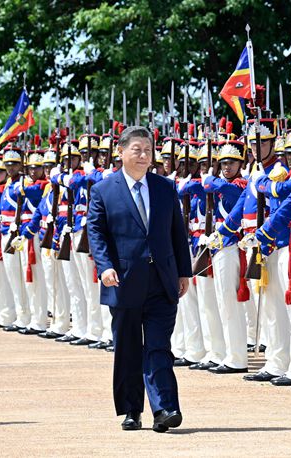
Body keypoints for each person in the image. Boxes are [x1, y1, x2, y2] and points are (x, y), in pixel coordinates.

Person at [87, 125, 192, 433]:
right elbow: (96, 233)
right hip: (123, 280)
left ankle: (165, 408)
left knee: (159, 345)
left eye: (148, 150)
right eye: (137, 150)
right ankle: (131, 409)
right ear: (120, 152)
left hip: (162, 280)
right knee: (128, 348)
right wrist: (104, 267)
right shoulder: (103, 191)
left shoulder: (164, 187)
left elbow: (177, 232)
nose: (144, 155)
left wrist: (183, 271)